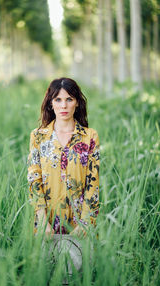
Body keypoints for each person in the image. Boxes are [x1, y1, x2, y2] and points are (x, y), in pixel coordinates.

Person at [27, 77, 100, 239]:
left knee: (83, 264)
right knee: (46, 264)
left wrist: (85, 222)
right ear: (50, 103)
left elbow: (92, 184)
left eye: (69, 99)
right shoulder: (38, 136)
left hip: (80, 225)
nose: (64, 105)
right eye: (58, 99)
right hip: (47, 224)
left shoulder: (90, 137)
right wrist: (43, 221)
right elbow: (34, 181)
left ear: (77, 102)